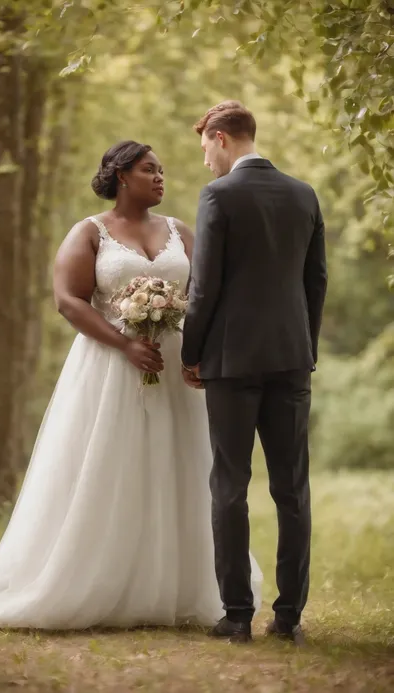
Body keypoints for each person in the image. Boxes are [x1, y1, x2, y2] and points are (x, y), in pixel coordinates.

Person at [0, 140, 262, 630]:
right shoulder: (90, 232)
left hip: (174, 367)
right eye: (150, 169)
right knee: (112, 465)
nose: (161, 177)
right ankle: (96, 579)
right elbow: (68, 299)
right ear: (121, 176)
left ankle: (179, 583)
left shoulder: (180, 231)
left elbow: (206, 294)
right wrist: (124, 344)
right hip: (109, 367)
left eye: (162, 170)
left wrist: (201, 352)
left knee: (181, 465)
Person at [182, 102, 327, 646]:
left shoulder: (219, 196)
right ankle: (288, 617)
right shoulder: (304, 194)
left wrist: (190, 353)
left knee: (229, 485)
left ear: (221, 138)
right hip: (291, 360)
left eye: (204, 148)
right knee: (293, 489)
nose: (204, 162)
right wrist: (304, 349)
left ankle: (237, 616)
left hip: (231, 361)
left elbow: (204, 286)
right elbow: (317, 282)